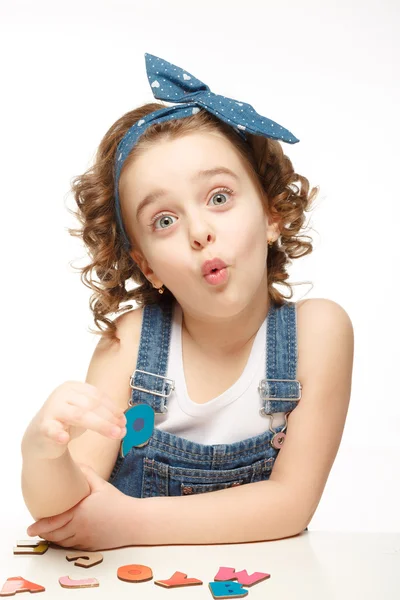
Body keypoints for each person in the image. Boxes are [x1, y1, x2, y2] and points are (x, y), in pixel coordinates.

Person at [21, 53, 354, 551]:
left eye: (218, 197)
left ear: (270, 211)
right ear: (146, 263)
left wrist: (129, 524)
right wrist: (44, 455)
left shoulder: (318, 333)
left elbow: (290, 503)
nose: (199, 231)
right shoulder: (131, 342)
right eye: (164, 221)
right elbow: (70, 507)